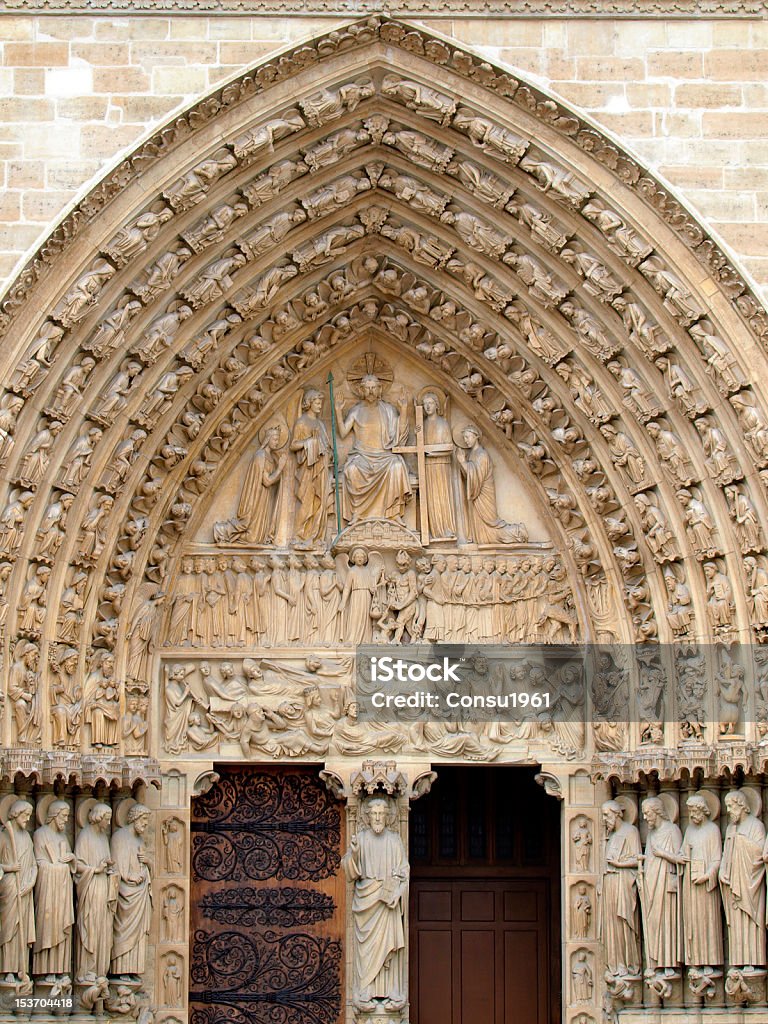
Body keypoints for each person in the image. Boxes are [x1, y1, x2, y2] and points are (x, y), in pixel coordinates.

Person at [342, 798, 409, 1011]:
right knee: (367, 952)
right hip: (366, 903)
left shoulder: (395, 840)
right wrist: (353, 852)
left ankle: (391, 992)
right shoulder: (360, 839)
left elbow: (404, 871)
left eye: (382, 814)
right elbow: (349, 871)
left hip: (387, 903)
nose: (378, 818)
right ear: (367, 817)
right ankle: (366, 992)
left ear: (388, 816)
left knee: (388, 949)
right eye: (374, 814)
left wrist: (397, 891)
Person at [335, 373, 411, 523]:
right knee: (351, 470)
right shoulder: (356, 411)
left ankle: (393, 512)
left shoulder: (388, 410)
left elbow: (399, 434)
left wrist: (403, 411)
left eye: (373, 388)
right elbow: (343, 432)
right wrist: (338, 411)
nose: (370, 391)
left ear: (379, 389)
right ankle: (357, 512)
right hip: (362, 456)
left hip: (384, 456)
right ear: (361, 390)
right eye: (367, 388)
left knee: (397, 466)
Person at [456, 424, 527, 544]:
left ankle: (518, 531)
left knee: (491, 524)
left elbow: (477, 476)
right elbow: (470, 475)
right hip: (476, 496)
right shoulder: (472, 454)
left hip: (483, 494)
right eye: (464, 438)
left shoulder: (482, 454)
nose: (466, 440)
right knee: (484, 532)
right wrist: (463, 463)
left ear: (476, 436)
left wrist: (463, 463)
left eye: (468, 437)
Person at [720, 790, 765, 967]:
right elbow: (726, 853)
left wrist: (741, 841)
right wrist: (723, 870)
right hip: (733, 884)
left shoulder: (756, 826)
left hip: (750, 883)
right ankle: (739, 962)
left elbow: (761, 853)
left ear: (742, 806)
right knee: (737, 925)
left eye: (731, 806)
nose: (729, 810)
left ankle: (754, 962)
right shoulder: (731, 828)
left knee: (752, 923)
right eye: (727, 807)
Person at [111, 805, 153, 977]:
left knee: (138, 934)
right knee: (123, 930)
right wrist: (130, 877)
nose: (146, 824)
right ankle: (120, 971)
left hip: (140, 893)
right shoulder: (120, 837)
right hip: (126, 893)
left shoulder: (140, 840)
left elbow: (145, 867)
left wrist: (148, 863)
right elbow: (116, 866)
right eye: (144, 820)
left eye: (147, 820)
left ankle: (133, 970)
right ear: (135, 818)